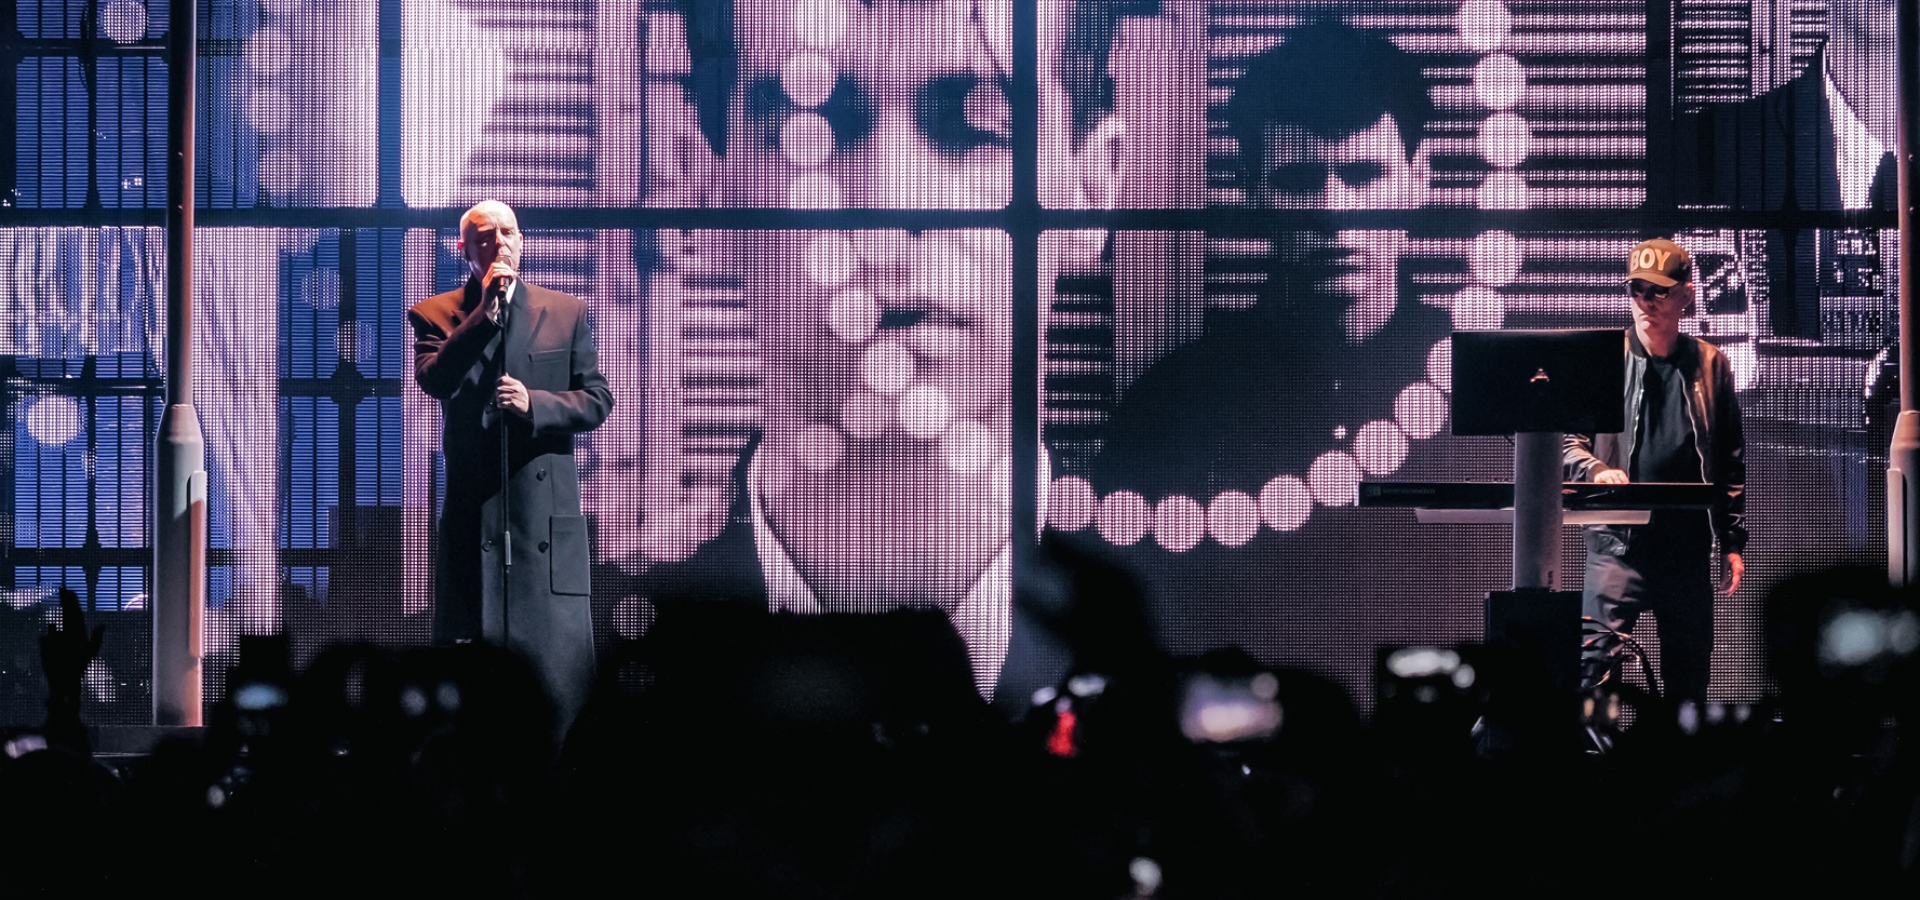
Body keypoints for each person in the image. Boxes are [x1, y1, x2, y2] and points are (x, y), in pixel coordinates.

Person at [639, 0, 1132, 711]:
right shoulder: (611, 669)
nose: (892, 199)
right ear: (704, 187)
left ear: (1093, 184)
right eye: (816, 128)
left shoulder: (1210, 634)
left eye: (975, 128)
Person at [1089, 20, 1447, 504]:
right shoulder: (1171, 406)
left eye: (1363, 175)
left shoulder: (1475, 386)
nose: (1331, 211)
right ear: (1252, 194)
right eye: (1299, 180)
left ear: (1419, 180)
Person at [408, 200, 613, 739]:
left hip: (543, 521)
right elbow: (435, 379)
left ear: (522, 241)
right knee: (476, 695)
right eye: (485, 236)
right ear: (465, 250)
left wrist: (534, 404)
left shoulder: (565, 312)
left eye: (508, 233)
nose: (499, 243)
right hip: (477, 517)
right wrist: (484, 316)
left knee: (558, 688)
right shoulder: (437, 314)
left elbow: (597, 400)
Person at [1563, 237, 1747, 704]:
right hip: (1617, 548)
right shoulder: (1605, 359)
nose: (1647, 302)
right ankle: (1597, 750)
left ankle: (1675, 754)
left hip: (1685, 549)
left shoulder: (1711, 365)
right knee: (1593, 672)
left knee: (1688, 680)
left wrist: (1731, 542)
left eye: (1659, 291)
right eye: (1638, 290)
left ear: (1687, 294)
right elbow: (1566, 441)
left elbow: (1729, 461)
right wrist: (1596, 470)